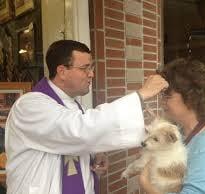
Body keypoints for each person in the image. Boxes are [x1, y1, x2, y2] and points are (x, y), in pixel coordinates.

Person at [5, 40, 168, 194]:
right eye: (85, 68)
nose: (91, 74)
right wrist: (140, 95)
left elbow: (79, 138)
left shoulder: (77, 108)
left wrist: (94, 154)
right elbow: (77, 130)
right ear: (62, 71)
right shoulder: (30, 106)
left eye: (92, 68)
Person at [139, 58, 205, 194]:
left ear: (191, 98)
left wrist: (146, 185)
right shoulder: (191, 133)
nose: (161, 101)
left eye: (167, 95)